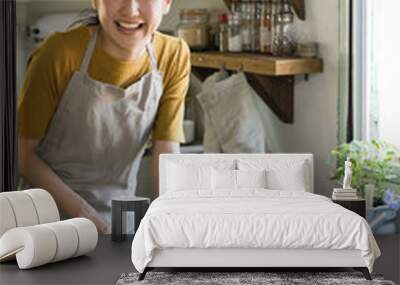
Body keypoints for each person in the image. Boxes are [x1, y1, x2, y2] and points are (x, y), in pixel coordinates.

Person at [17, 0, 190, 234]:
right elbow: (22, 156)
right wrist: (87, 217)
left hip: (117, 223)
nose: (130, 10)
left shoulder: (173, 56)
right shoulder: (59, 53)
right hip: (45, 222)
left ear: (167, 3)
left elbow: (166, 152)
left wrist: (171, 226)